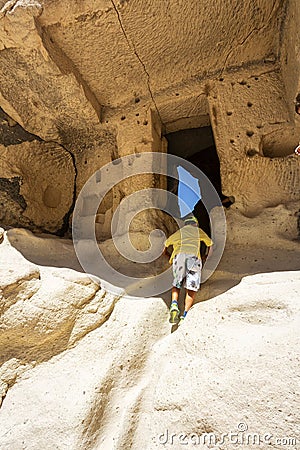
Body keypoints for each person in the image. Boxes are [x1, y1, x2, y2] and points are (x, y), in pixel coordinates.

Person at [163, 215, 213, 324]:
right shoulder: (198, 231)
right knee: (192, 287)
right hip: (193, 257)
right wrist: (206, 256)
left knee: (177, 282)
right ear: (195, 224)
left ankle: (174, 304)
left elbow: (166, 244)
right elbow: (210, 243)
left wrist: (167, 254)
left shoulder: (180, 232)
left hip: (179, 256)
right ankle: (185, 314)